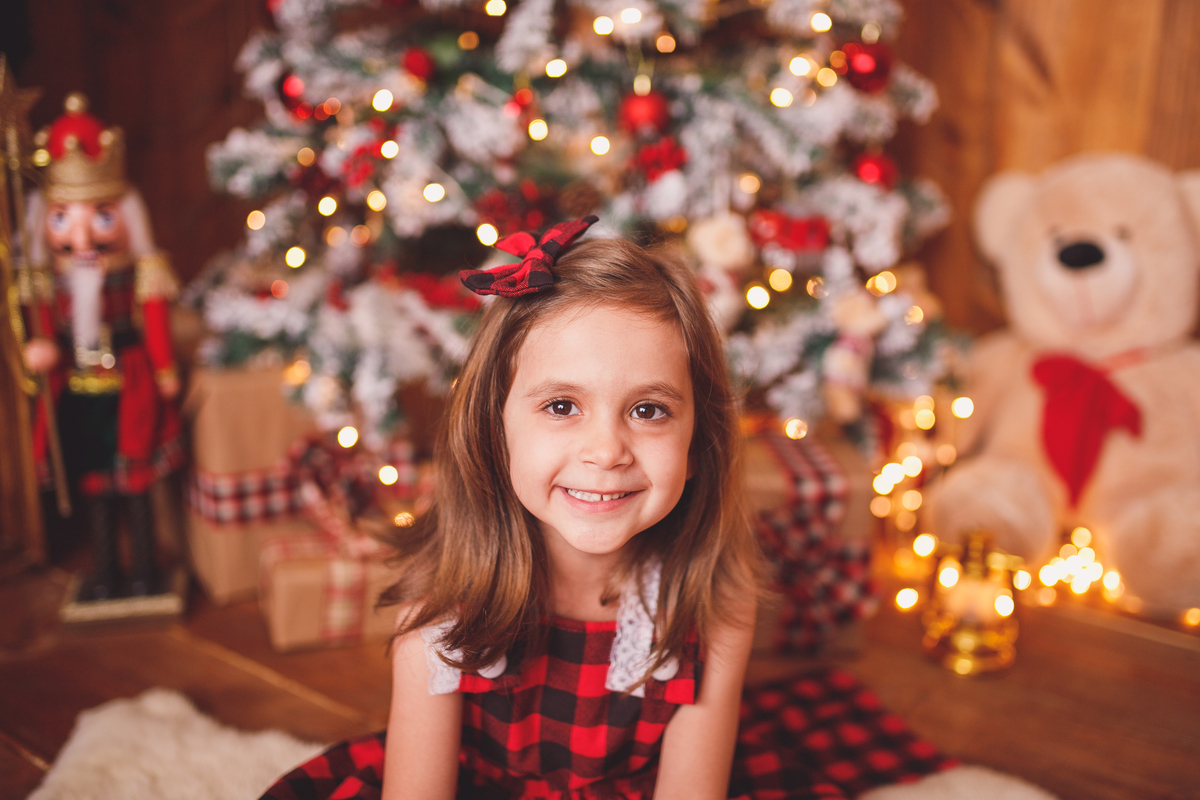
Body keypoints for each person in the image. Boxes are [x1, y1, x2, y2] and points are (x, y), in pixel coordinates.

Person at [261, 218, 950, 800]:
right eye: (562, 406)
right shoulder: (441, 610)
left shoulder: (715, 606)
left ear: (697, 437)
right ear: (494, 427)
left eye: (648, 411)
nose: (606, 450)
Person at [19, 93, 184, 599]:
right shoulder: (49, 281)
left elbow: (154, 319)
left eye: (102, 217)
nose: (83, 235)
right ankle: (107, 572)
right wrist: (40, 348)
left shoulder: (138, 273)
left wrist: (163, 367)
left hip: (129, 380)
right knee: (93, 486)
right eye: (64, 217)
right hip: (77, 387)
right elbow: (41, 327)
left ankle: (144, 572)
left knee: (134, 483)